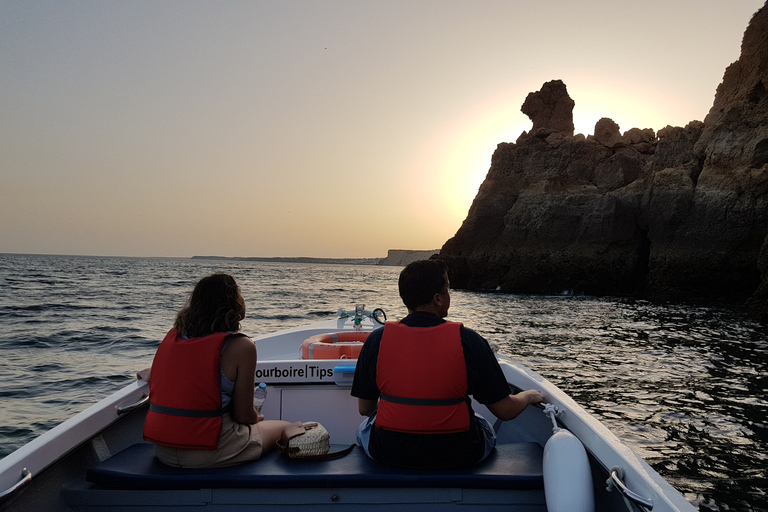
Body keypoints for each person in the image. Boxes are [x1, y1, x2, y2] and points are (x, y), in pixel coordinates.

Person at [351, 259, 546, 469]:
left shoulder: (376, 340)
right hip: (460, 453)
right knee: (484, 423)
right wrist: (529, 396)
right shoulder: (469, 340)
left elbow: (365, 408)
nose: (448, 296)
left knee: (364, 428)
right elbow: (506, 411)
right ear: (438, 299)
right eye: (447, 290)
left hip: (390, 451)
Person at [142, 273, 292, 468]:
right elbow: (244, 416)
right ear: (234, 304)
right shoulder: (242, 347)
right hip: (213, 450)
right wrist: (257, 416)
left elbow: (161, 376)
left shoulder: (174, 337)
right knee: (287, 428)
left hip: (165, 451)